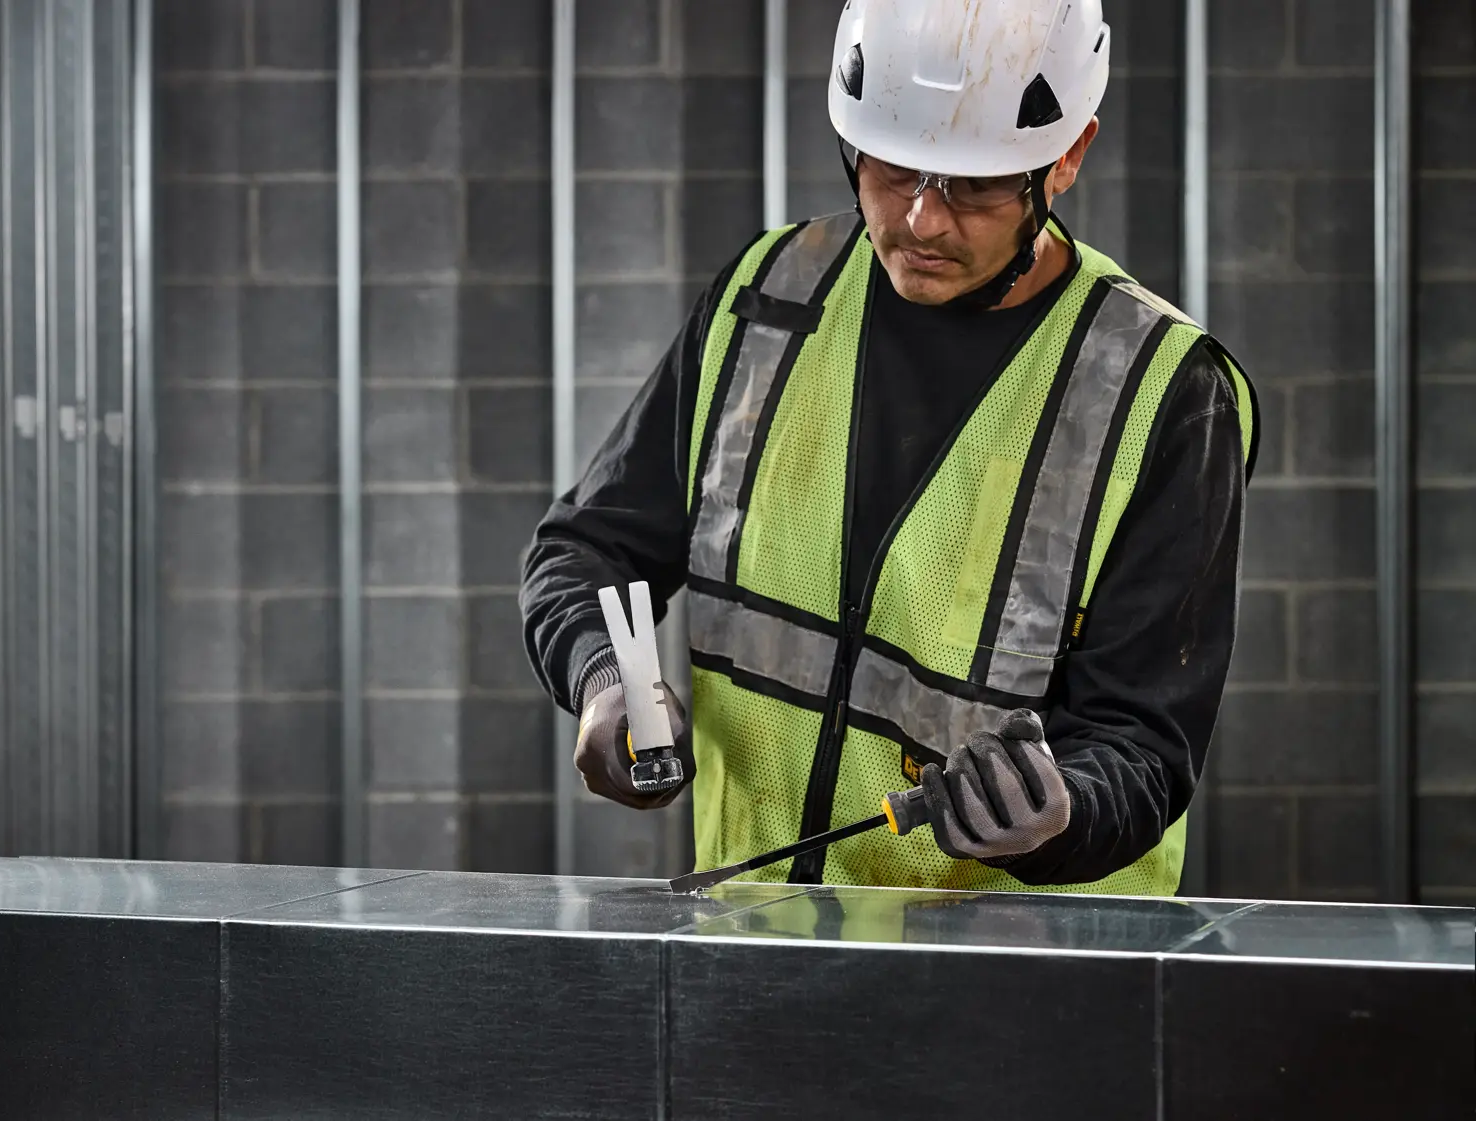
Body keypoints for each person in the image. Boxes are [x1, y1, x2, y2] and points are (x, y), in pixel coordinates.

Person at [519, 0, 1257, 894]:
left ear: (1067, 156)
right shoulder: (770, 301)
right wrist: (603, 680)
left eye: (975, 185)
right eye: (894, 167)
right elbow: (586, 549)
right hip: (762, 944)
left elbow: (1142, 743)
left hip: (1024, 989)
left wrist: (1061, 816)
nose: (922, 220)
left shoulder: (1163, 393)